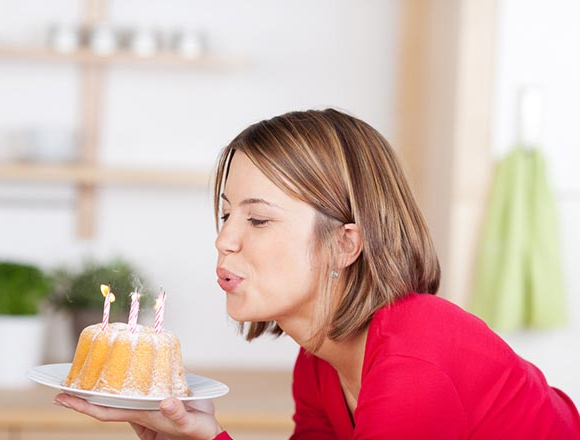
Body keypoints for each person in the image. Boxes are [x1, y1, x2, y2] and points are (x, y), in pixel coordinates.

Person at [54, 109, 580, 439]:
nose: (224, 240)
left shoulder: (416, 356)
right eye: (226, 214)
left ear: (346, 243)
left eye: (257, 219)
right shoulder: (320, 362)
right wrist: (194, 436)